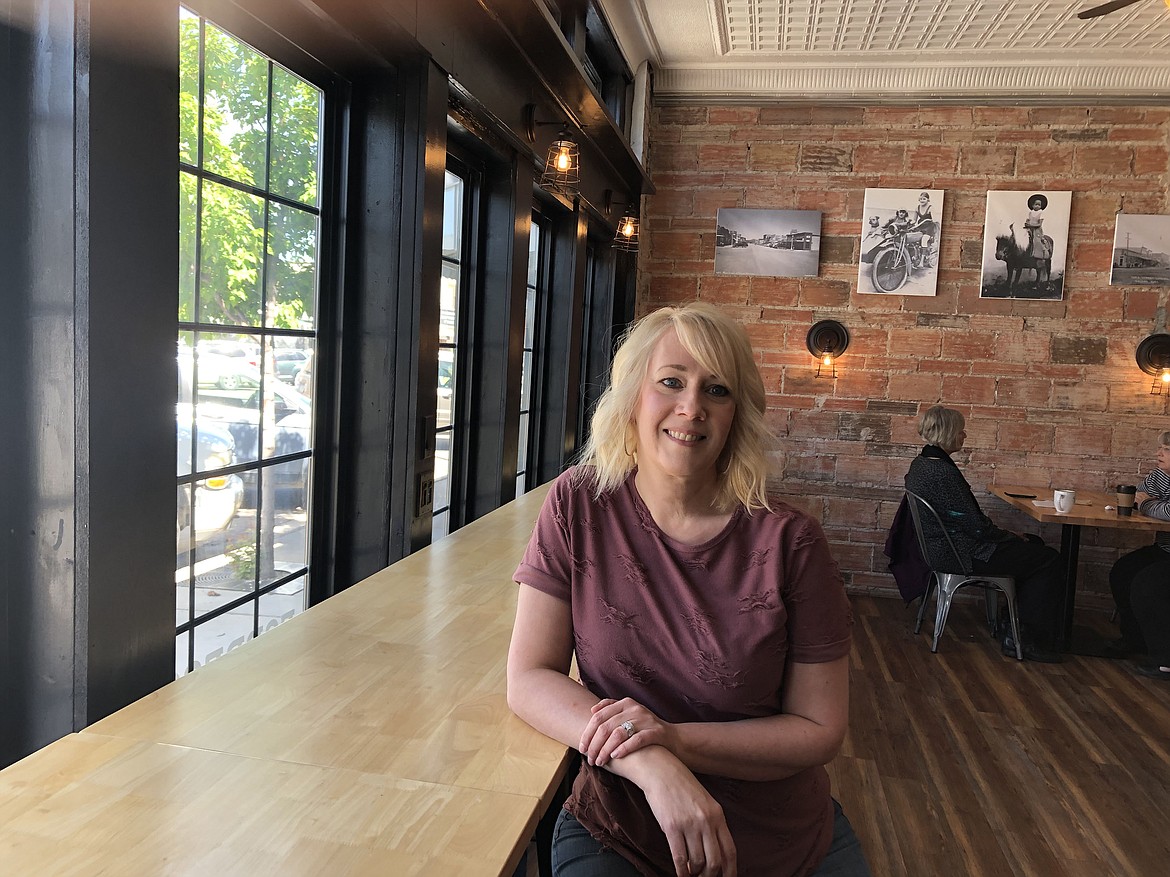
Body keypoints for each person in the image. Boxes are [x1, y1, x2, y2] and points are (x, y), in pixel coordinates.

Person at [507, 302, 869, 877]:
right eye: (670, 382)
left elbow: (819, 729)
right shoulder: (579, 504)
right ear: (632, 399)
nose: (691, 407)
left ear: (736, 416)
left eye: (716, 390)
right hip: (622, 826)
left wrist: (674, 739)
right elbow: (528, 678)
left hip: (775, 836)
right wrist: (653, 761)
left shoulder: (791, 542)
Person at [903, 405, 1063, 663]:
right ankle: (1022, 638)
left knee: (1034, 550)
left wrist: (1009, 536)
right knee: (1047, 559)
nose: (964, 436)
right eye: (961, 431)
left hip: (941, 548)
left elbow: (969, 522)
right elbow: (975, 526)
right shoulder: (942, 472)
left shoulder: (922, 463)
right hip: (962, 553)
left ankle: (1011, 624)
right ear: (948, 433)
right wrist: (1011, 536)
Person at [1107, 432, 1170, 680]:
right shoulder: (1160, 476)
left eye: (1165, 449)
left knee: (1148, 584)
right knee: (1124, 571)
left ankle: (1165, 659)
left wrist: (1147, 505)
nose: (1158, 454)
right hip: (1164, 549)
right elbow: (1138, 496)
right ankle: (1136, 640)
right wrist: (1147, 503)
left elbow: (1153, 506)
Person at [905, 192, 935, 268]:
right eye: (921, 199)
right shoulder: (917, 208)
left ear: (928, 200)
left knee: (924, 240)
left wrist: (933, 220)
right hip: (920, 227)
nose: (922, 200)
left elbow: (934, 220)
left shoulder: (931, 208)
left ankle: (921, 262)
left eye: (924, 199)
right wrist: (909, 222)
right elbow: (914, 220)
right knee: (913, 240)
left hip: (929, 228)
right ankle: (913, 258)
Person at [1023, 193, 1052, 260]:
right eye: (1036, 204)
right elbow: (1027, 220)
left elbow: (1039, 224)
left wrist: (1031, 225)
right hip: (1029, 229)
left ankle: (1039, 255)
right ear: (1032, 205)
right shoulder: (1030, 212)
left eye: (1039, 205)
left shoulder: (1041, 212)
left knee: (1036, 241)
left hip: (1037, 230)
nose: (1037, 206)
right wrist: (1027, 224)